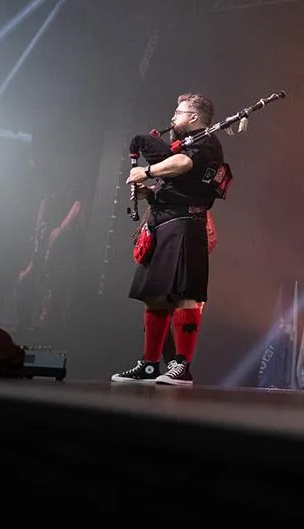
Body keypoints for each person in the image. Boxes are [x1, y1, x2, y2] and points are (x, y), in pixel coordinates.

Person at [112, 93, 224, 387]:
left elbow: (183, 164)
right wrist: (150, 193)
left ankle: (182, 366)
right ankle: (150, 364)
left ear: (194, 117)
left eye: (179, 112)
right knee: (155, 296)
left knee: (184, 294)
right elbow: (178, 183)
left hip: (186, 224)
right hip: (163, 223)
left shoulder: (206, 142)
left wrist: (146, 171)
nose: (173, 117)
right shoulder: (186, 143)